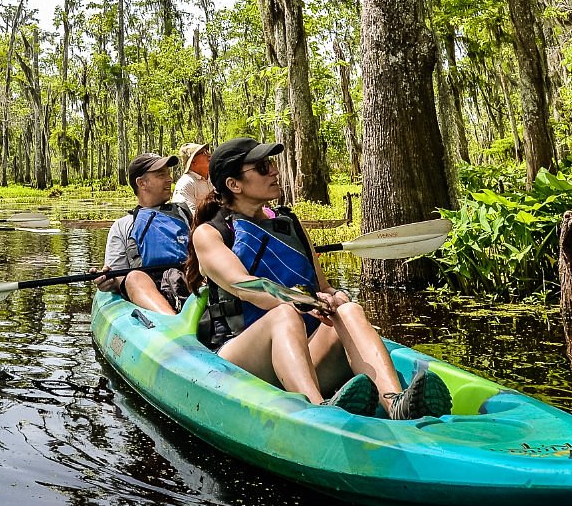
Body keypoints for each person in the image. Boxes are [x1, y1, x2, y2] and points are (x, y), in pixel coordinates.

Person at [192, 137, 448, 419]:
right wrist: (301, 300)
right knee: (284, 314)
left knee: (348, 310)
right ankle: (317, 411)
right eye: (263, 167)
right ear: (234, 184)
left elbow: (323, 285)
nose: (275, 171)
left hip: (299, 354)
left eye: (272, 164)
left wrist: (334, 297)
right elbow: (244, 286)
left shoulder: (290, 223)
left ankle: (394, 403)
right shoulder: (210, 233)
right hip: (241, 358)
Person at [98, 153, 203, 314]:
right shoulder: (123, 226)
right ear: (141, 183)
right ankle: (173, 322)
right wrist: (108, 281)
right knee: (134, 277)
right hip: (149, 288)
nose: (169, 179)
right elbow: (119, 277)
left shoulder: (185, 215)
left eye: (168, 174)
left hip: (188, 281)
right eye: (161, 175)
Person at [174, 142, 212, 210]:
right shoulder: (186, 183)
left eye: (207, 151)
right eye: (204, 153)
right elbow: (186, 214)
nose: (209, 155)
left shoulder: (214, 177)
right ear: (193, 161)